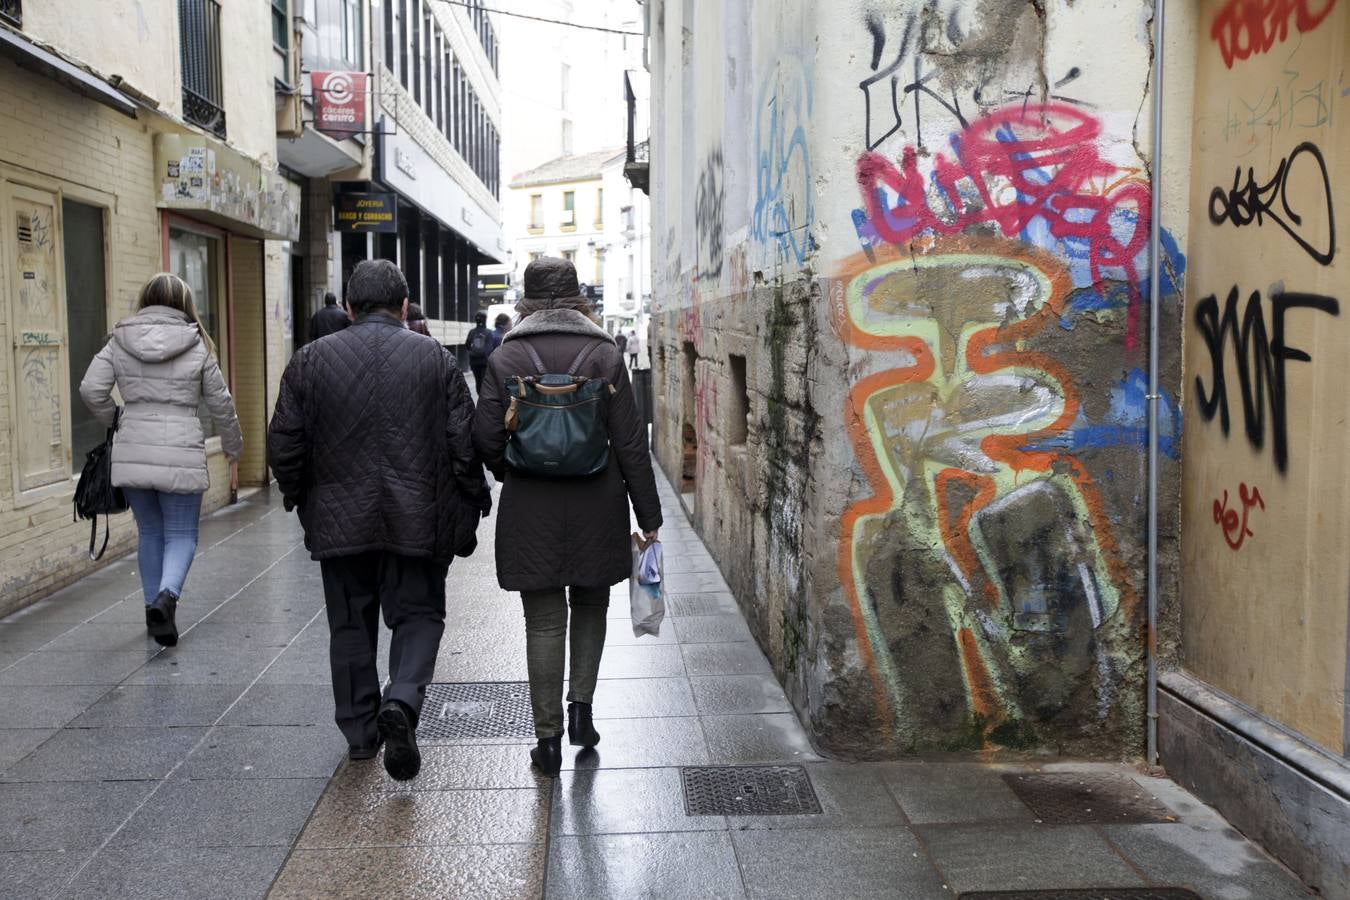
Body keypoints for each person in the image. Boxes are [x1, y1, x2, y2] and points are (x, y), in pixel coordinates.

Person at [267, 259, 492, 780]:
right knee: (418, 616)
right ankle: (405, 700)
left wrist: (303, 499)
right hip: (417, 516)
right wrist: (475, 497)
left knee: (350, 624)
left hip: (339, 520)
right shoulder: (435, 360)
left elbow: (285, 444)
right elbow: (463, 443)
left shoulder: (309, 362)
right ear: (405, 305)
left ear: (348, 307)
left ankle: (361, 734)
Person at [472, 257, 662, 777]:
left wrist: (512, 468)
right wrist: (649, 515)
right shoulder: (603, 353)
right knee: (591, 603)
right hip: (596, 499)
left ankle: (547, 739)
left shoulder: (506, 358)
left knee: (543, 621)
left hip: (531, 504)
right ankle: (581, 711)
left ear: (526, 299)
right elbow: (629, 444)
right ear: (578, 295)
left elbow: (485, 438)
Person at [79, 273, 242, 647]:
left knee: (150, 532)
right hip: (180, 449)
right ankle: (166, 599)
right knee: (182, 533)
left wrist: (117, 417)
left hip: (133, 447)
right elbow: (221, 404)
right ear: (184, 305)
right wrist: (233, 446)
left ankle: (153, 612)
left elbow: (91, 389)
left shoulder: (119, 339)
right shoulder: (195, 344)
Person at [465, 312, 493, 388]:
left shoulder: (472, 332)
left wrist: (472, 351)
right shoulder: (489, 332)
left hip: (474, 360)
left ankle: (479, 396)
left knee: (478, 381)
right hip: (485, 361)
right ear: (485, 320)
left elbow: (467, 345)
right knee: (484, 381)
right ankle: (483, 397)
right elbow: (490, 348)